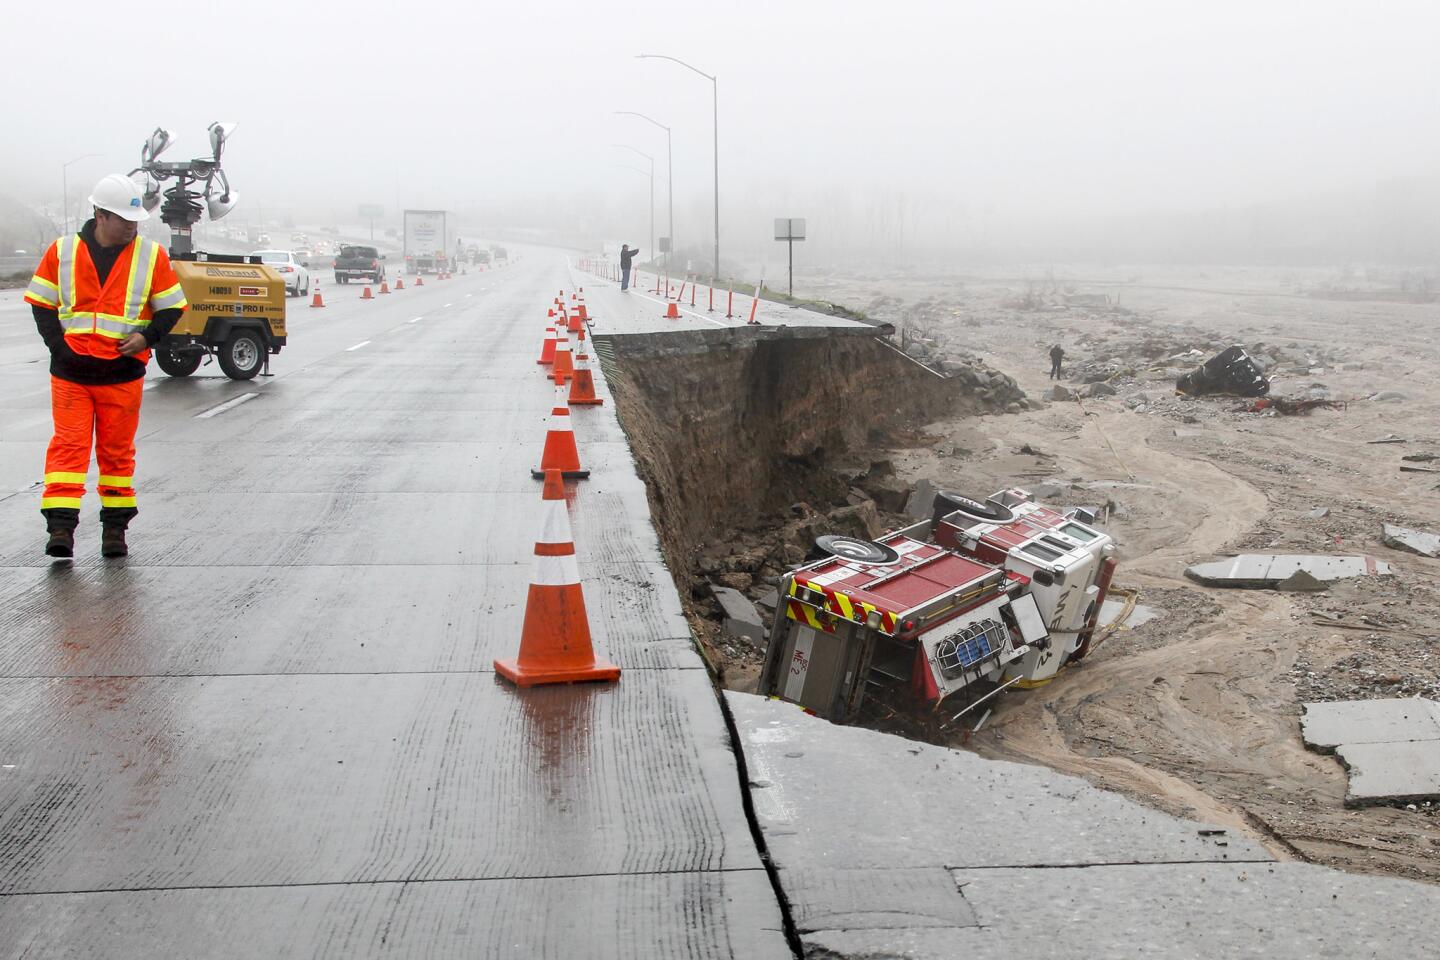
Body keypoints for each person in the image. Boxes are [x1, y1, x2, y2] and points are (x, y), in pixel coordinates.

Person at [23, 174, 189, 559]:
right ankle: (61, 529)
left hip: (122, 373)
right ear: (99, 215)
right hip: (72, 373)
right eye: (123, 220)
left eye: (135, 222)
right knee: (69, 450)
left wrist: (147, 338)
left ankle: (115, 532)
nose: (132, 227)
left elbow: (173, 307)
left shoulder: (149, 255)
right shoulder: (62, 252)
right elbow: (42, 304)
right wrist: (58, 348)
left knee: (116, 455)